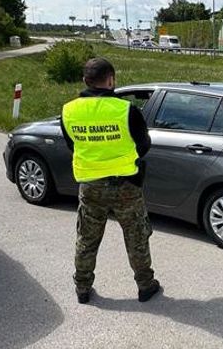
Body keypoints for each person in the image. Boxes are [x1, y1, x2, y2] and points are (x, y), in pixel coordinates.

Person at [61, 57, 161, 305]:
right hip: (126, 185)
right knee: (136, 237)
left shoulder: (68, 110)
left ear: (85, 81)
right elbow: (143, 145)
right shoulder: (126, 110)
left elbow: (72, 145)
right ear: (111, 80)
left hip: (90, 185)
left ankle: (82, 288)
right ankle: (145, 286)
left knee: (87, 238)